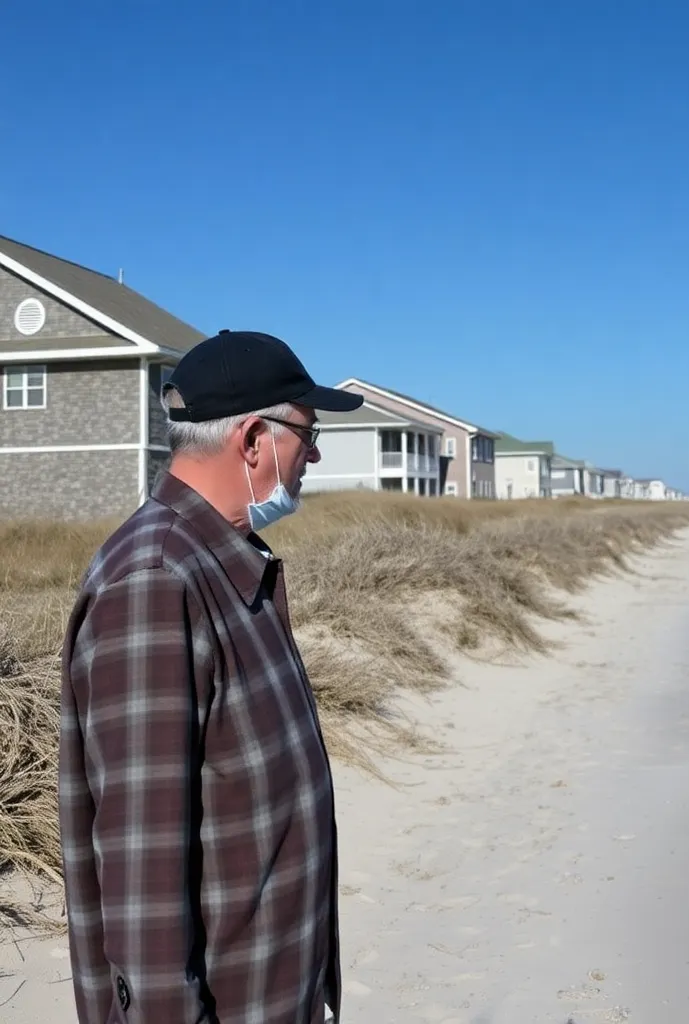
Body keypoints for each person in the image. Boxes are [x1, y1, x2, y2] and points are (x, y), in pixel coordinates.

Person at [59, 330, 364, 1024]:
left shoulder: (225, 562)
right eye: (306, 433)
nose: (313, 454)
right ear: (253, 440)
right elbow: (142, 875)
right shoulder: (156, 579)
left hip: (276, 991)